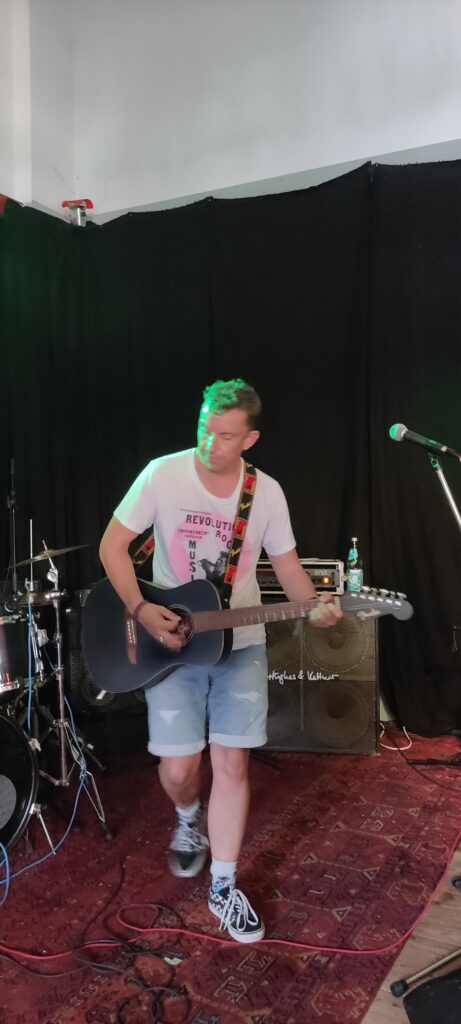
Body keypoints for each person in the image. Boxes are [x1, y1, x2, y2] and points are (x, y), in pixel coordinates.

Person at [99, 378, 342, 943]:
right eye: (205, 428)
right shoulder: (162, 474)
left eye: (226, 435)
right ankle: (189, 819)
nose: (211, 443)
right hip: (171, 643)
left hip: (241, 642)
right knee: (179, 770)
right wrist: (140, 608)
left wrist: (316, 607)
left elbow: (288, 570)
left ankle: (224, 887)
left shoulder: (267, 493)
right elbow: (112, 545)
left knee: (231, 763)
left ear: (250, 439)